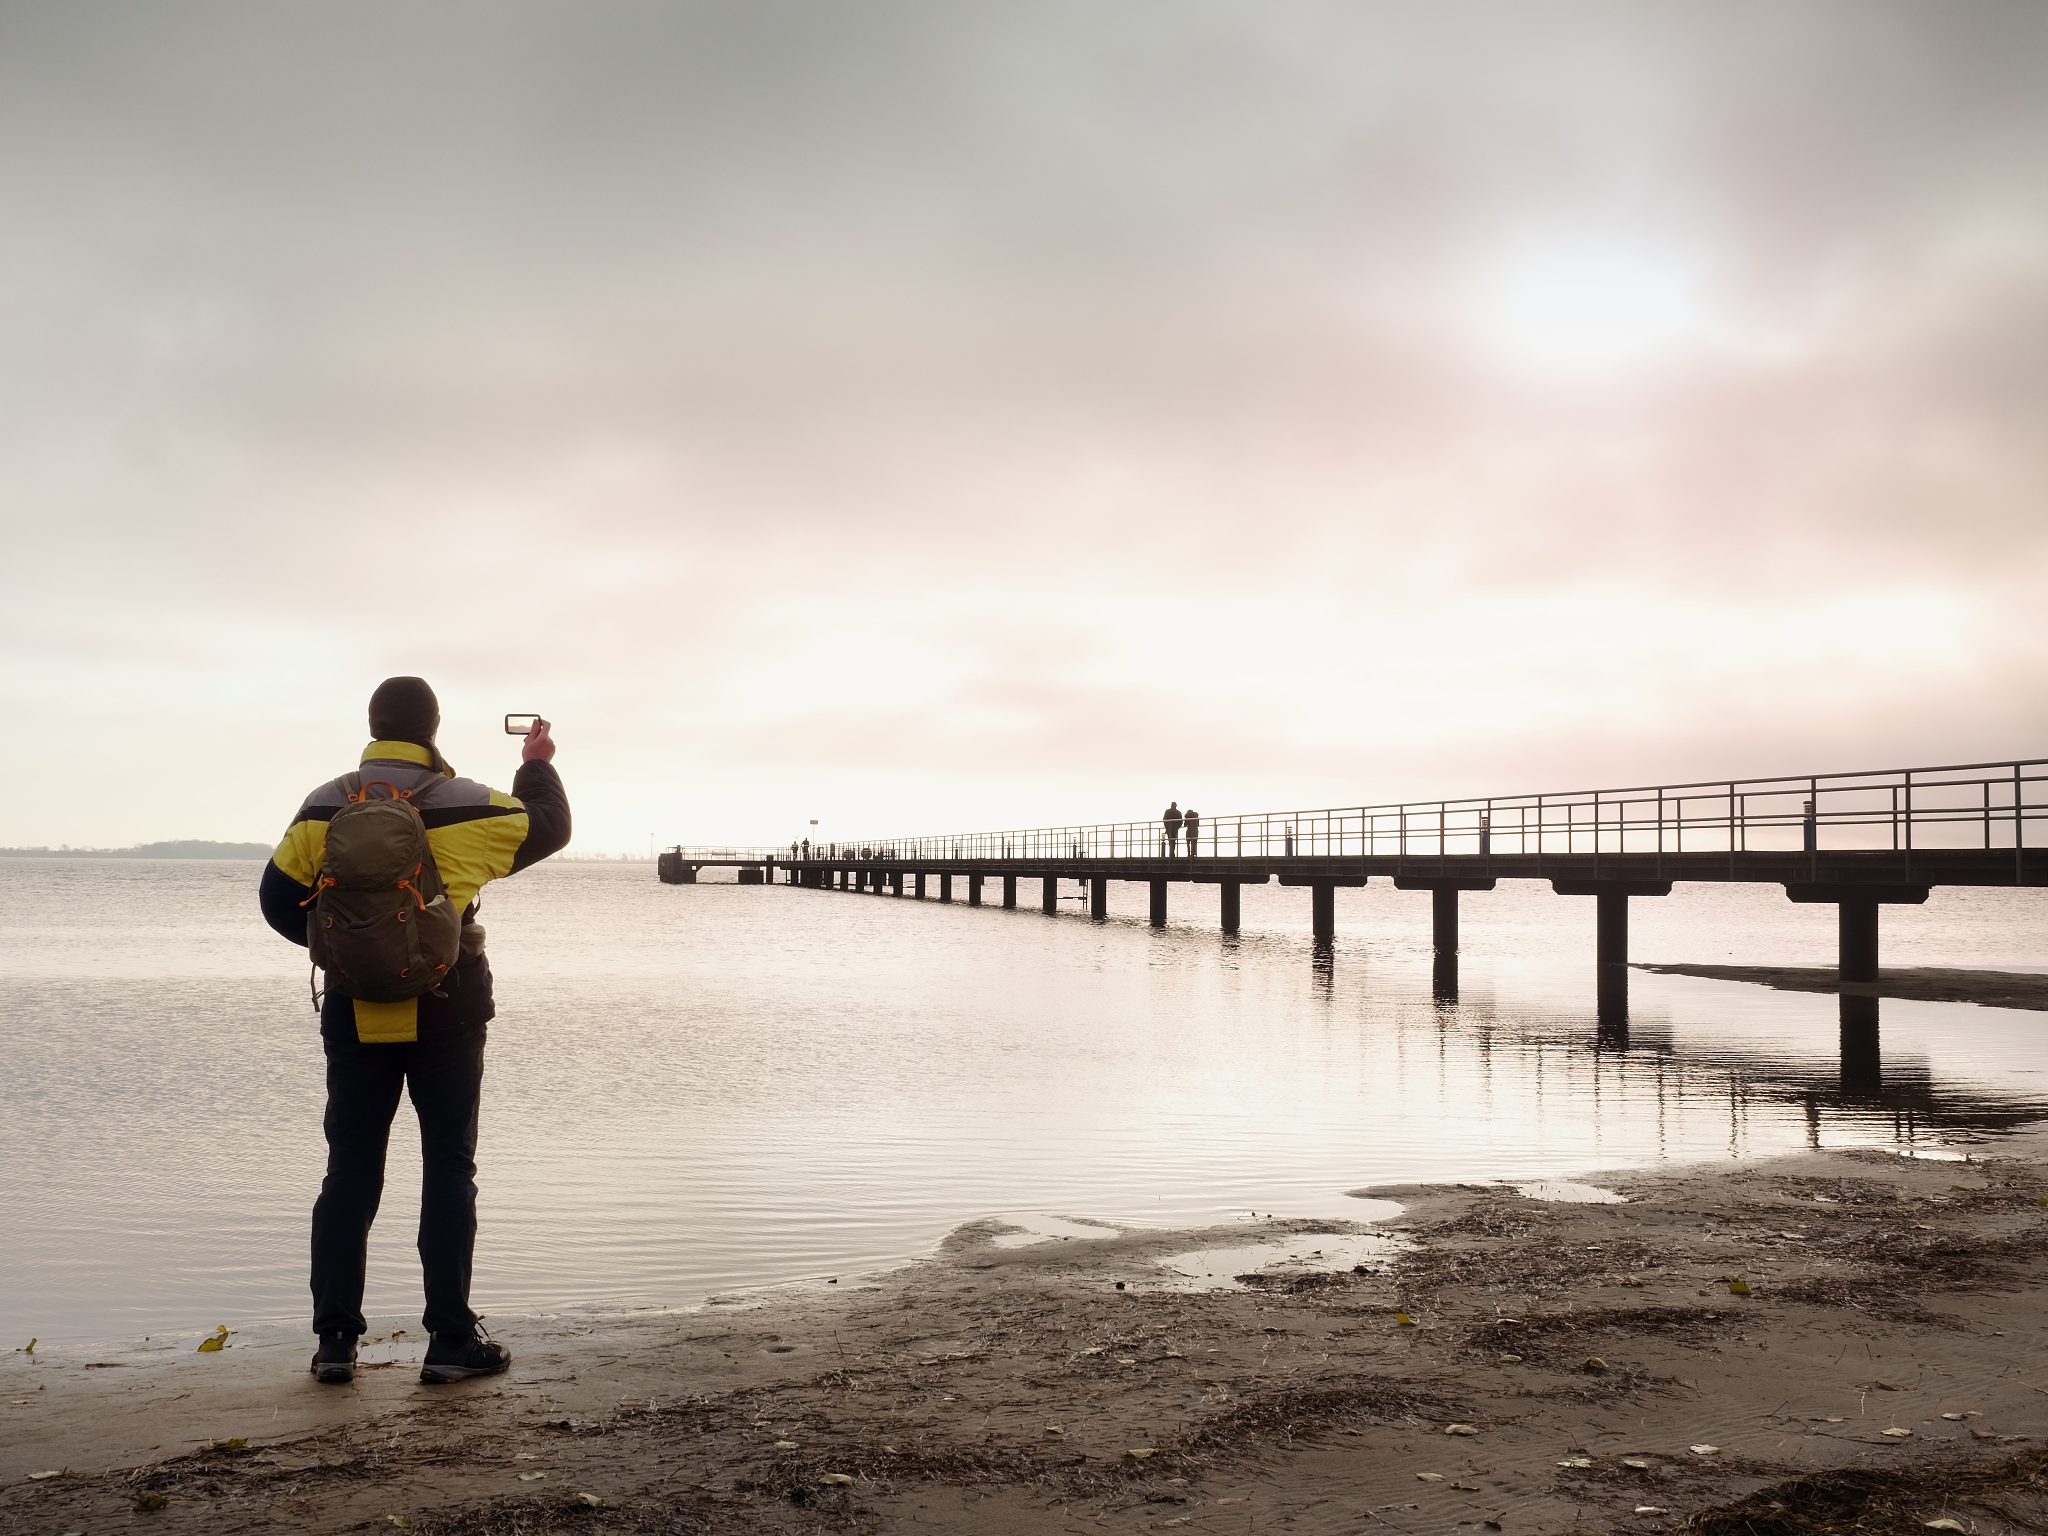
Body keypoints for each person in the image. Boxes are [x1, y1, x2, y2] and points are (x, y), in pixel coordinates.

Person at [259, 678, 571, 1388]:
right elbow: (551, 824)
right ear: (433, 729)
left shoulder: (324, 806)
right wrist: (536, 762)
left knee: (349, 1171)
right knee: (448, 1167)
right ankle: (450, 1341)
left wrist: (350, 952)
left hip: (354, 1011)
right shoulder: (471, 804)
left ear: (373, 726)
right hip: (447, 1005)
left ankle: (335, 1344)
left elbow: (277, 902)